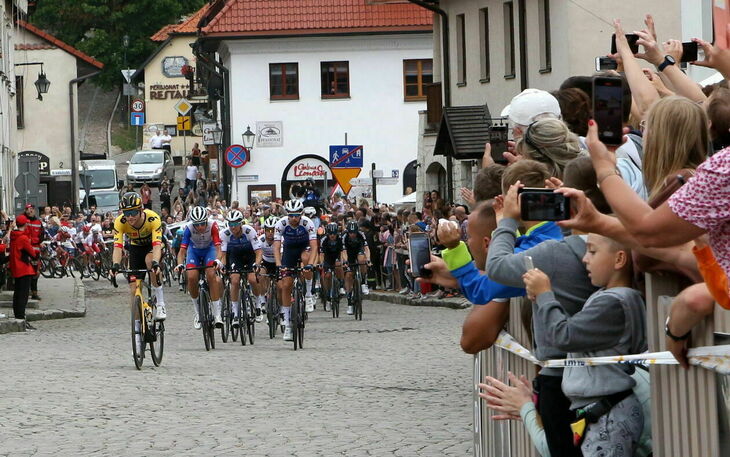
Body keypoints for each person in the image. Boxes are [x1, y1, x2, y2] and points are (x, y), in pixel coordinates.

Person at [522, 233, 647, 457]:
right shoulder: (608, 296)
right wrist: (542, 299)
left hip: (609, 414)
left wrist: (546, 295)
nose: (584, 259)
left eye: (592, 251)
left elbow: (563, 336)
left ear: (619, 260)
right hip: (600, 410)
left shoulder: (614, 303)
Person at [111, 193, 167, 325]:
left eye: (134, 212)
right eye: (127, 213)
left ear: (141, 210)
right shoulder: (120, 222)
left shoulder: (152, 218)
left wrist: (155, 263)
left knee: (150, 262)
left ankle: (160, 303)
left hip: (152, 246)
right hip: (135, 248)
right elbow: (118, 247)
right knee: (133, 289)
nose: (130, 217)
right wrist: (115, 265)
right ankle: (137, 330)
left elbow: (157, 245)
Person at [272, 199, 318, 342]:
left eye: (296, 215)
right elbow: (276, 246)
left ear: (301, 214)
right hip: (289, 251)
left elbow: (315, 246)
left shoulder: (307, 223)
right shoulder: (281, 224)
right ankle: (287, 324)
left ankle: (309, 294)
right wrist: (279, 265)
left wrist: (310, 264)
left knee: (306, 259)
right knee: (286, 285)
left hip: (305, 247)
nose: (293, 218)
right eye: (291, 215)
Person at [176, 206, 224, 328]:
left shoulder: (213, 225)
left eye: (203, 224)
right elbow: (182, 251)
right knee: (191, 277)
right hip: (195, 251)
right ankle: (198, 313)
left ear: (206, 221)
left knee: (211, 274)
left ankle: (217, 314)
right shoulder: (188, 228)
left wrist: (218, 260)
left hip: (210, 250)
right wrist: (180, 264)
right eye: (197, 225)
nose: (200, 227)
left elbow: (219, 248)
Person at [220, 210, 264, 323]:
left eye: (235, 224)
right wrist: (223, 266)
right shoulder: (225, 234)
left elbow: (258, 252)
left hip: (250, 255)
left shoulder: (249, 231)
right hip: (235, 256)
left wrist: (257, 264)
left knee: (252, 279)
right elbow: (223, 255)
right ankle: (235, 312)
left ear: (241, 224)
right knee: (234, 280)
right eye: (230, 224)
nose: (232, 227)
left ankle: (258, 303)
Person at [10, 215, 38, 330]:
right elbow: (32, 253)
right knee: (23, 295)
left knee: (17, 294)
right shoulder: (23, 238)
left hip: (16, 267)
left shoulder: (13, 236)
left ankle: (18, 316)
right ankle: (21, 318)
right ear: (25, 224)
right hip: (24, 268)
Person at [342, 220, 371, 314]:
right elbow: (343, 251)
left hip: (358, 250)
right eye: (350, 233)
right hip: (348, 254)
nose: (352, 235)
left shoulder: (361, 234)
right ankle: (349, 302)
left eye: (354, 233)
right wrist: (345, 261)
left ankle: (363, 282)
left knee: (362, 260)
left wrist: (368, 259)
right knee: (349, 275)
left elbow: (366, 248)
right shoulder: (344, 236)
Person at [319, 222, 345, 311]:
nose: (332, 236)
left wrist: (343, 261)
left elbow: (342, 252)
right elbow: (321, 254)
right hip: (327, 258)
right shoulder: (324, 240)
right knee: (328, 275)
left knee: (338, 265)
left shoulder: (340, 239)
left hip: (337, 256)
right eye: (330, 234)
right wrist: (321, 263)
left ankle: (341, 285)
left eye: (334, 234)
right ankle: (327, 296)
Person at [22, 204, 43, 301]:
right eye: (27, 209)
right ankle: (25, 292)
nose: (29, 211)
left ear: (34, 210)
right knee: (26, 273)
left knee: (35, 272)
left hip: (35, 251)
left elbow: (42, 235)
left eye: (31, 209)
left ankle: (34, 293)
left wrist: (37, 241)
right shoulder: (22, 220)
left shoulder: (38, 222)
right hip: (25, 251)